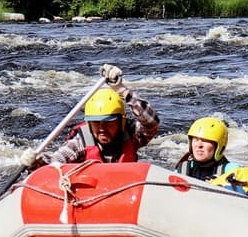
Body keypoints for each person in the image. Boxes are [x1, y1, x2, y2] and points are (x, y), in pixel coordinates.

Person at [32, 65, 160, 166]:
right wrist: (36, 161)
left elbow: (151, 122)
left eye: (108, 122)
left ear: (121, 122)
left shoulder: (132, 135)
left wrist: (122, 90)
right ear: (88, 123)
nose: (102, 128)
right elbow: (55, 161)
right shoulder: (80, 141)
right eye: (96, 123)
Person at [176, 117, 232, 181]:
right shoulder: (182, 169)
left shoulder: (231, 171)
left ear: (218, 146)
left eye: (205, 141)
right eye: (196, 140)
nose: (199, 145)